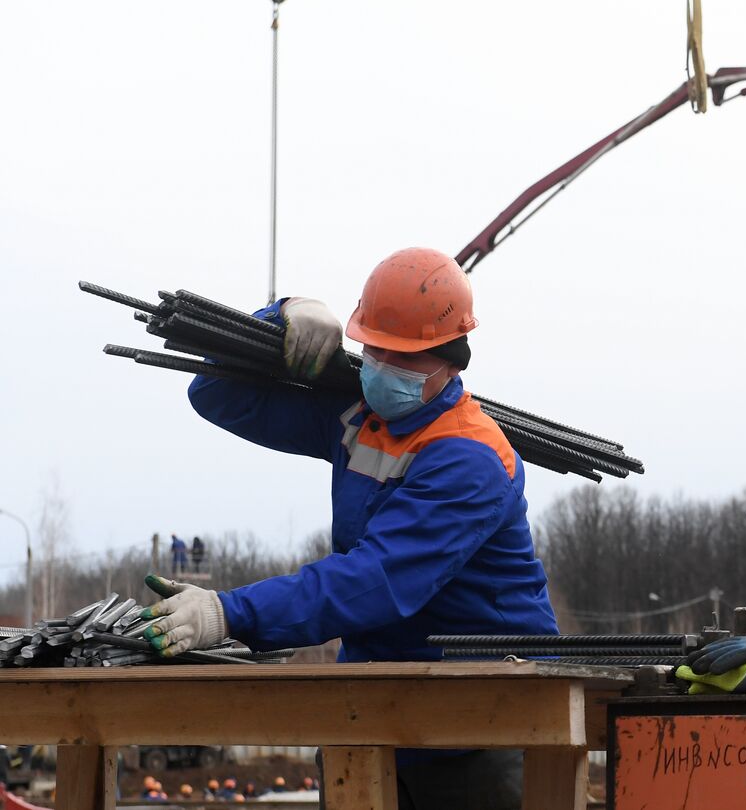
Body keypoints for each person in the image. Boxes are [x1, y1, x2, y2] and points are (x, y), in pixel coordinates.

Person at [138, 247, 557, 810]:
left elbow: (375, 580)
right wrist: (283, 317)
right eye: (372, 347)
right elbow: (216, 393)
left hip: (485, 719)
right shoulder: (360, 415)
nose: (378, 365)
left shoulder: (470, 457)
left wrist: (230, 613)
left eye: (399, 355)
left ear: (450, 359)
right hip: (379, 706)